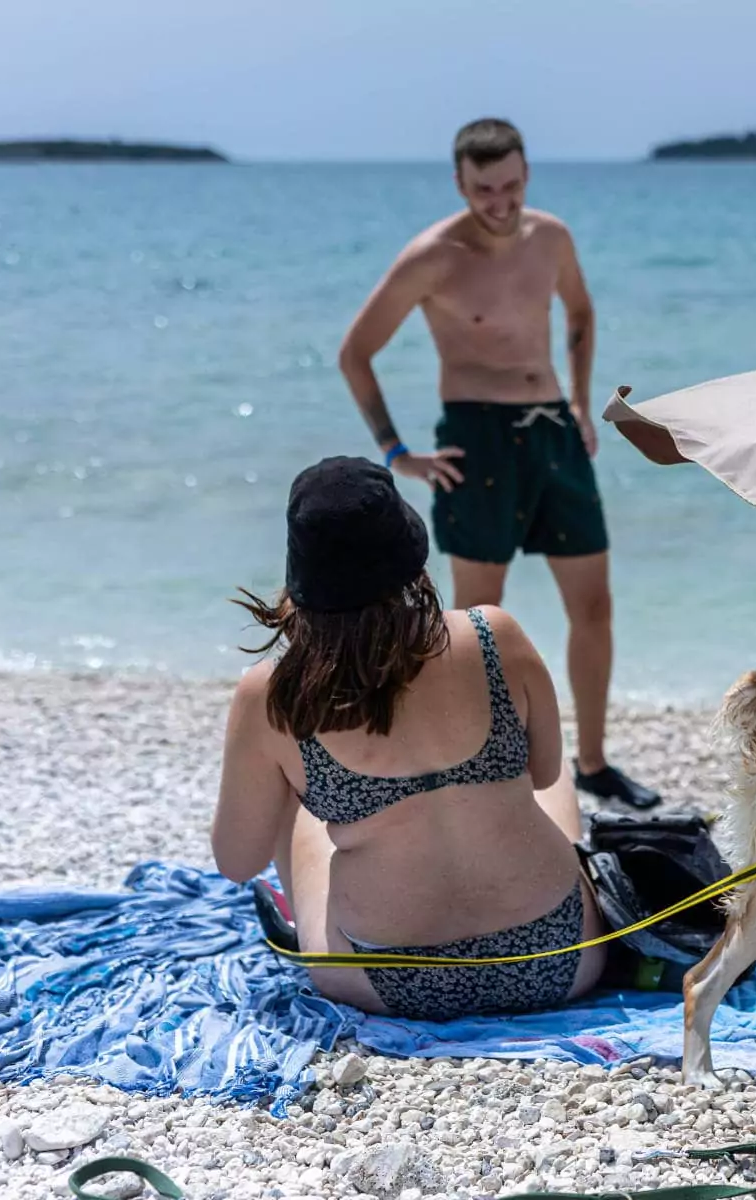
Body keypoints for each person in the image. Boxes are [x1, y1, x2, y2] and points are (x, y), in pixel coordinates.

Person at [336, 116, 657, 809]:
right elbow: (354, 352)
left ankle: (594, 765)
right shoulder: (432, 256)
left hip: (554, 434)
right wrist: (397, 453)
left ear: (526, 175)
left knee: (595, 605)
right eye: (485, 190)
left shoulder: (553, 236)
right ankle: (476, 763)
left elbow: (579, 314)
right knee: (479, 620)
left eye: (511, 186)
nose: (501, 202)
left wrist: (578, 400)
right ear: (461, 184)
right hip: (476, 439)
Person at [213, 456, 607, 1019]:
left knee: (293, 798)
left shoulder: (274, 694)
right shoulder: (493, 634)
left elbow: (236, 860)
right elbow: (543, 774)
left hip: (391, 981)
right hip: (558, 957)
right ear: (409, 549)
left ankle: (306, 910)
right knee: (541, 777)